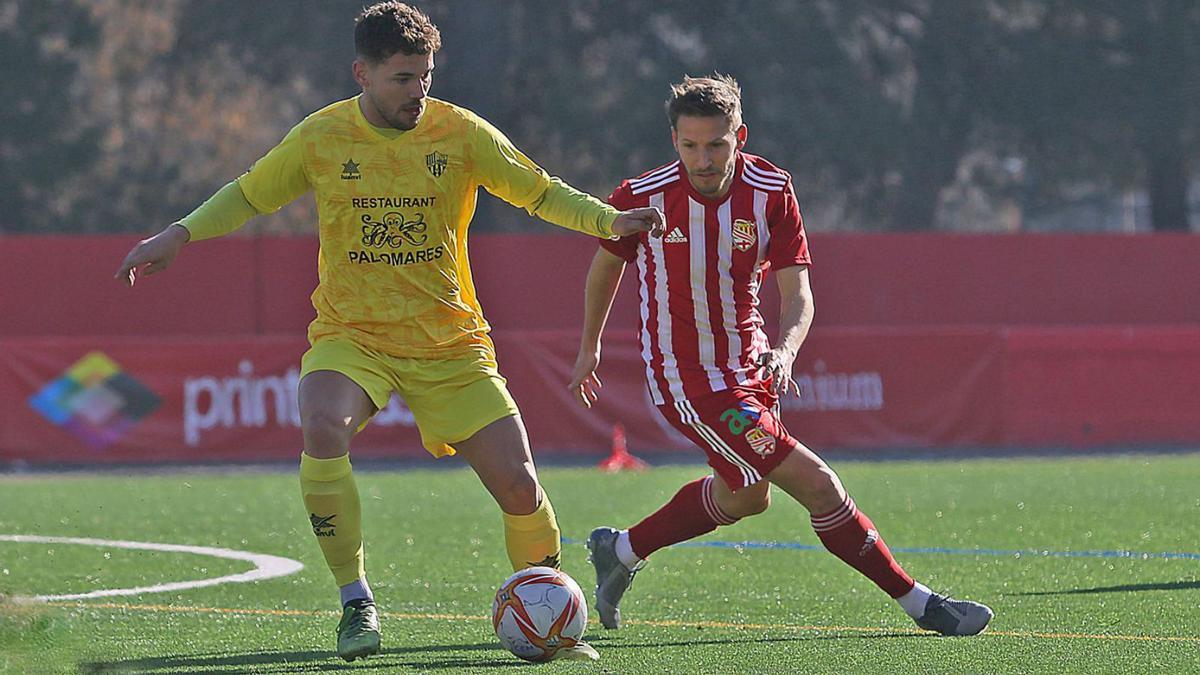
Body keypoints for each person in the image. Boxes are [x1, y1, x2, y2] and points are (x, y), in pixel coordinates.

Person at [114, 2, 662, 663]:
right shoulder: (321, 137)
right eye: (403, 77)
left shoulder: (461, 134)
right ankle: (355, 600)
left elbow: (539, 191)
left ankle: (547, 608)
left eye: (425, 75)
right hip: (354, 335)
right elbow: (251, 193)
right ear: (363, 74)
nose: (418, 91)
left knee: (519, 485)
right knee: (321, 423)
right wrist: (180, 233)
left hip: (450, 344)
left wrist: (610, 220)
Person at [568, 74, 993, 637]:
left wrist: (786, 350)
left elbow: (799, 294)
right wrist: (589, 347)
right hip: (685, 378)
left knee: (746, 498)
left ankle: (620, 550)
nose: (703, 158)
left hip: (752, 367)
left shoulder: (770, 189)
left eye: (715, 144)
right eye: (690, 144)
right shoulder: (643, 197)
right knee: (817, 484)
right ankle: (921, 604)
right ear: (674, 140)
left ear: (738, 136)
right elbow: (606, 265)